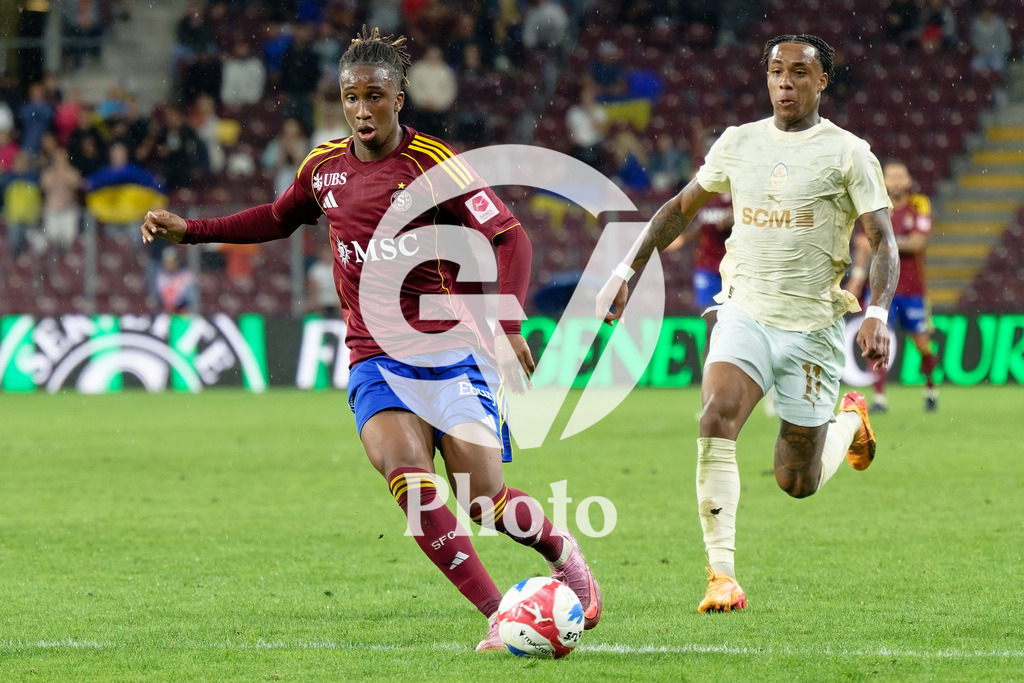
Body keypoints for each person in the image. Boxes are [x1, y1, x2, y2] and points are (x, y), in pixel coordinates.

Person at [142, 26, 601, 650]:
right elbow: (276, 219)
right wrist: (192, 230)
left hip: (453, 355)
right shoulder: (323, 170)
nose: (362, 110)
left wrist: (509, 321)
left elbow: (510, 236)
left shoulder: (432, 166)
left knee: (483, 501)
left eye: (375, 96)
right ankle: (500, 613)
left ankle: (560, 549)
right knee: (408, 480)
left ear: (399, 97)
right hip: (375, 359)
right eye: (351, 97)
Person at [596, 34, 900, 613]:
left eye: (800, 73)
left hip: (812, 326)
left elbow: (882, 240)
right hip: (745, 311)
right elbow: (678, 210)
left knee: (796, 482)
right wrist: (626, 270)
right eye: (777, 72)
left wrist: (878, 312)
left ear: (822, 82)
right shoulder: (737, 143)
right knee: (715, 416)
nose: (786, 82)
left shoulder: (849, 152)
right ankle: (722, 576)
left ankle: (848, 423)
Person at [847, 160, 938, 413]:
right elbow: (862, 248)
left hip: (912, 289)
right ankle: (879, 399)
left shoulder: (918, 204)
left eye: (901, 176)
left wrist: (885, 242)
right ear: (883, 180)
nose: (896, 181)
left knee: (922, 345)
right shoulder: (875, 205)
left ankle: (930, 388)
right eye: (891, 176)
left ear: (909, 181)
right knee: (876, 340)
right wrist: (856, 277)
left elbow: (918, 242)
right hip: (880, 288)